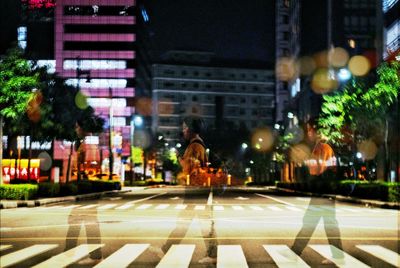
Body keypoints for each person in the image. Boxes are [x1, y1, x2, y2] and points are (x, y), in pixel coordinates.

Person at [177, 116, 208, 185]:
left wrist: (178, 157)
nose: (183, 131)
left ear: (192, 129)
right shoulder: (199, 144)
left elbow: (188, 168)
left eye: (185, 128)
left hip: (193, 185)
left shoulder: (194, 146)